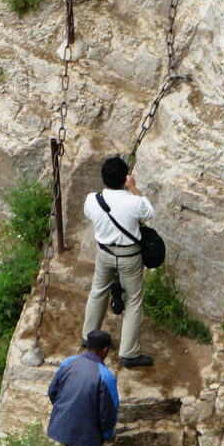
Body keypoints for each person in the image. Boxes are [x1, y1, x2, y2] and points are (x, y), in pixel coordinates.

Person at [82, 156, 155, 367]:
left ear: (103, 178)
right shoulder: (134, 202)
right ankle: (129, 353)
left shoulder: (92, 200)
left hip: (104, 253)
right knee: (133, 301)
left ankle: (89, 338)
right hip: (129, 257)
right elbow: (149, 213)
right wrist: (133, 188)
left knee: (98, 291)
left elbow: (90, 215)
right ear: (125, 178)